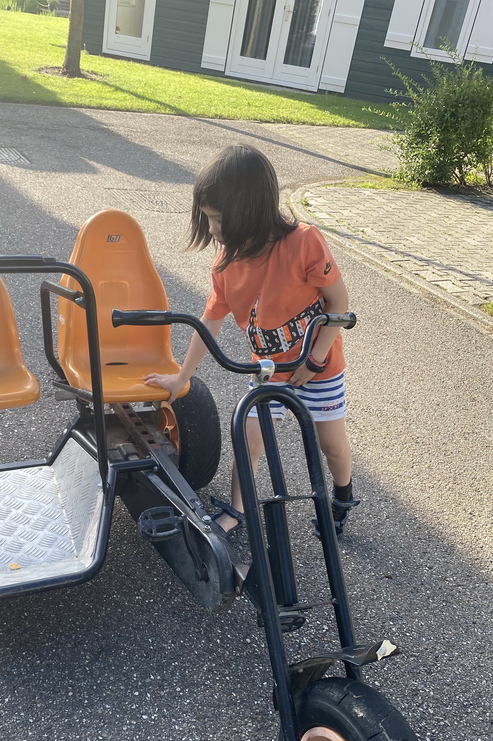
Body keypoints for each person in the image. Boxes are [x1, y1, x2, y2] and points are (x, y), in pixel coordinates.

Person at [144, 143, 359, 537]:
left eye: (218, 220)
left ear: (250, 212)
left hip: (321, 369)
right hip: (268, 372)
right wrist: (181, 377)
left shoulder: (304, 243)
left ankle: (343, 494)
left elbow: (339, 304)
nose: (212, 230)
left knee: (331, 445)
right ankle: (237, 511)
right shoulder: (227, 265)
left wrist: (315, 359)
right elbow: (209, 322)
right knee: (249, 439)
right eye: (208, 219)